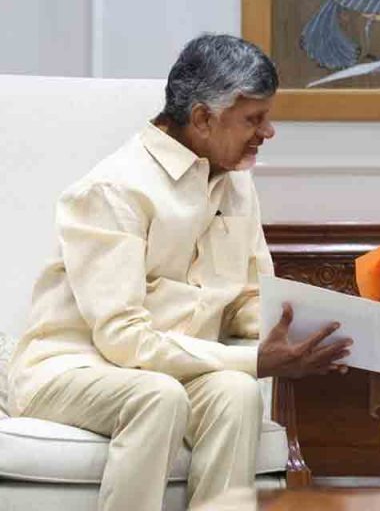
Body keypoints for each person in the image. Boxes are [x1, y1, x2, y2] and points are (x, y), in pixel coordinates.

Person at [6, 34, 353, 511]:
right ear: (203, 118)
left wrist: (309, 331)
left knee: (235, 393)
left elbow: (245, 301)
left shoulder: (235, 181)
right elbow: (124, 340)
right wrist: (256, 361)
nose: (267, 132)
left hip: (171, 368)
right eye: (254, 119)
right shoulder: (114, 190)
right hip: (72, 369)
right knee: (159, 397)